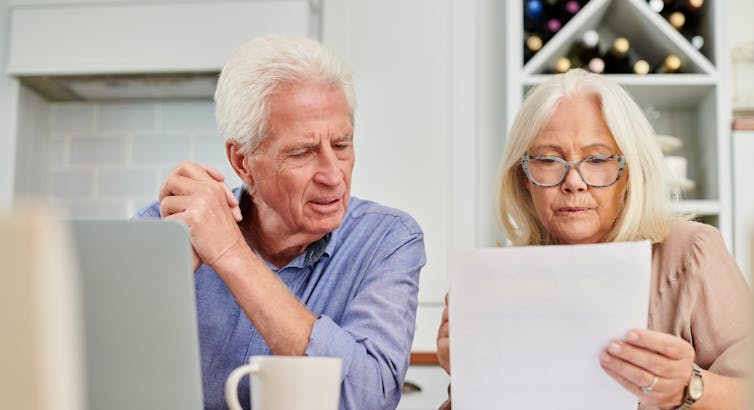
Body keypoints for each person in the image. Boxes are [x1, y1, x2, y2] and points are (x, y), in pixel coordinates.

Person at [136, 34, 426, 409]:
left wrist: (230, 253)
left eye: (341, 146)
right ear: (243, 162)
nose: (333, 175)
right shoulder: (171, 228)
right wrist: (162, 277)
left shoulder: (387, 240)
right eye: (303, 152)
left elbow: (367, 398)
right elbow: (85, 376)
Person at [436, 68, 751, 409]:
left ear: (630, 174)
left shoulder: (691, 252)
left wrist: (688, 388)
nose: (574, 181)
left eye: (598, 159)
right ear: (524, 176)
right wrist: (470, 377)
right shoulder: (502, 280)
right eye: (547, 159)